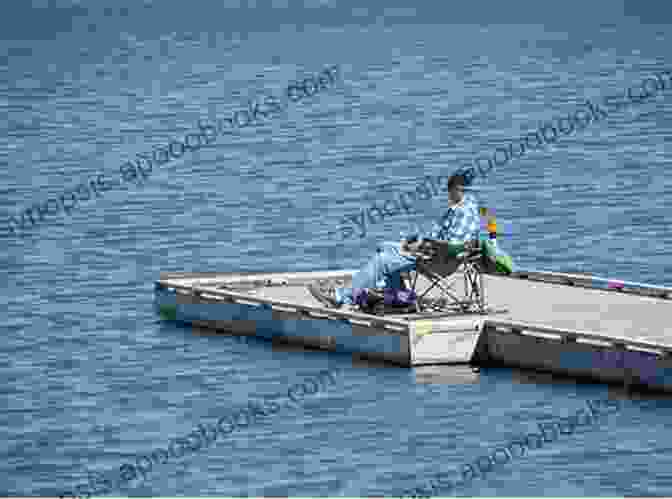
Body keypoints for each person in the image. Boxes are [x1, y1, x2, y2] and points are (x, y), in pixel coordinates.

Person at [308, 173, 483, 308]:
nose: (448, 196)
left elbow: (450, 247)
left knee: (382, 261)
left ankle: (340, 297)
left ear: (455, 190)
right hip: (434, 253)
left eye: (449, 191)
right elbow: (443, 238)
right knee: (384, 247)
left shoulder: (462, 213)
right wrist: (417, 241)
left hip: (438, 261)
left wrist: (420, 246)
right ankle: (399, 296)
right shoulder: (468, 205)